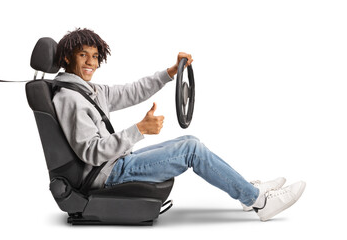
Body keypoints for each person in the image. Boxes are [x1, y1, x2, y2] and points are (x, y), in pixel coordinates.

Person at [52, 28, 305, 222]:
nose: (91, 63)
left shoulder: (87, 90)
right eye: (83, 55)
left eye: (95, 57)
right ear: (67, 57)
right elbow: (92, 152)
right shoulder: (71, 99)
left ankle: (247, 190)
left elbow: (131, 91)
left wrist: (170, 73)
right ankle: (260, 202)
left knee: (190, 142)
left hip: (115, 163)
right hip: (108, 173)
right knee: (191, 151)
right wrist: (139, 130)